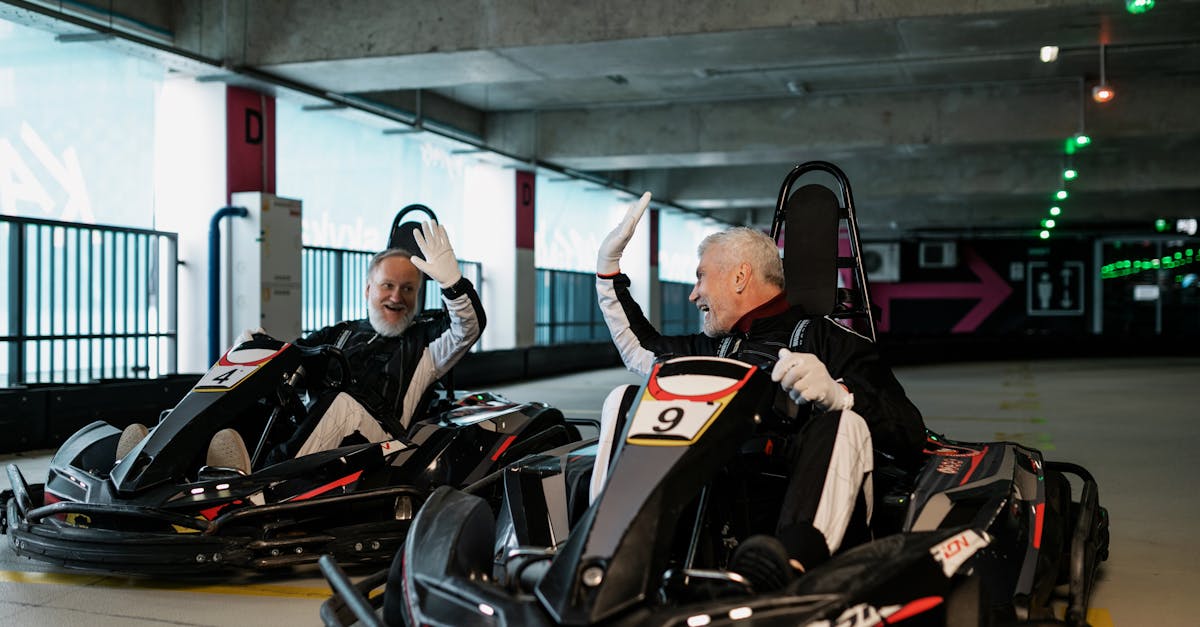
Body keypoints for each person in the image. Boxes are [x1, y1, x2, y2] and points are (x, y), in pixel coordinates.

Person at [592, 192, 925, 587]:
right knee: (626, 400)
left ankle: (781, 573)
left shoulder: (831, 343)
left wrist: (840, 395)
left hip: (793, 517)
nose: (693, 294)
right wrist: (608, 270)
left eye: (700, 277)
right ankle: (602, 551)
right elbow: (639, 349)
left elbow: (910, 435)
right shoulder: (710, 347)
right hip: (711, 505)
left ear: (739, 276)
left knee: (842, 423)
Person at [117, 221, 485, 474]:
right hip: (319, 424)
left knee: (340, 403)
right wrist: (256, 350)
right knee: (256, 380)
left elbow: (467, 327)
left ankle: (254, 483)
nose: (396, 297)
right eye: (388, 286)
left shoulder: (426, 341)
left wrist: (453, 283)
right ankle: (159, 458)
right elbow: (293, 356)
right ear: (368, 290)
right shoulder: (340, 333)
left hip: (383, 443)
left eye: (408, 289)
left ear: (419, 296)